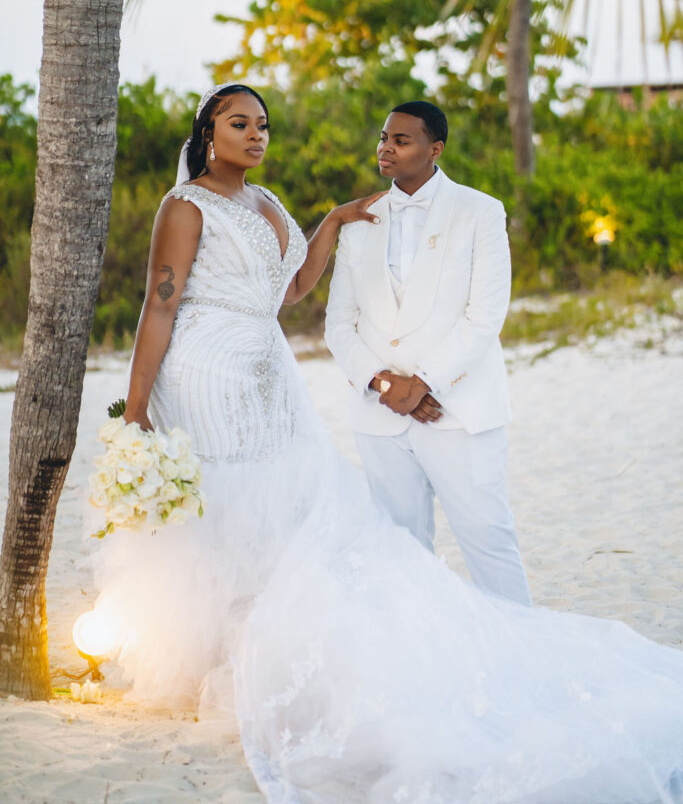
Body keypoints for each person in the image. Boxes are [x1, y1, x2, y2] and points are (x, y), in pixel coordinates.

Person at [93, 83, 683, 804]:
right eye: (239, 124)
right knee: (228, 506)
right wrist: (141, 402)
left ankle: (272, 658)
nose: (256, 136)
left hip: (269, 372)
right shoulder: (184, 207)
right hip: (205, 371)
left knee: (287, 511)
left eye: (264, 125)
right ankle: (213, 664)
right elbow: (161, 303)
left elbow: (293, 290)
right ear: (206, 131)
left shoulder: (269, 203)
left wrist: (335, 220)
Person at [325, 101, 531, 605]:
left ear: (435, 149)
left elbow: (484, 316)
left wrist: (423, 383)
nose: (386, 148)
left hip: (457, 411)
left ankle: (520, 655)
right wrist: (383, 383)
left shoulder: (481, 211)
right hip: (379, 417)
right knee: (401, 551)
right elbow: (338, 323)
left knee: (488, 543)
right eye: (383, 137)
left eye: (401, 140)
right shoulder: (358, 220)